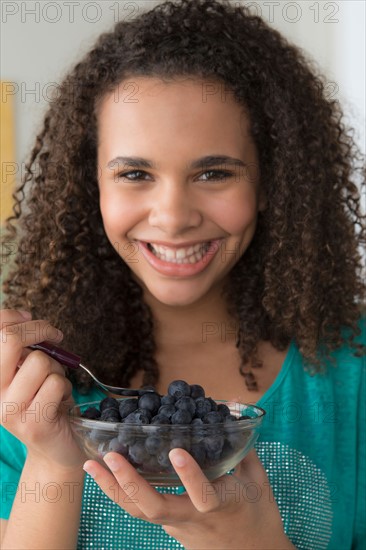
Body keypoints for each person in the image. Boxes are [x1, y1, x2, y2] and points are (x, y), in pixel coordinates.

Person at [0, 0, 365, 548]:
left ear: (271, 184)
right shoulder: (26, 391)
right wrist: (52, 460)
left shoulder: (351, 371)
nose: (172, 217)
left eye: (214, 172)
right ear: (90, 186)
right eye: (135, 173)